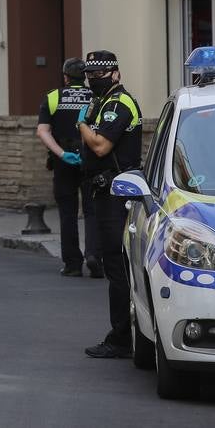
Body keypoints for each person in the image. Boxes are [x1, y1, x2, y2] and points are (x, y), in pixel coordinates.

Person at [77, 50, 143, 359]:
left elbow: (101, 146)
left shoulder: (118, 104)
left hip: (117, 196)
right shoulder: (103, 102)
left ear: (115, 74)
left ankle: (121, 338)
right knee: (114, 266)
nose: (93, 81)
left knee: (117, 267)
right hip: (106, 193)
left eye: (99, 75)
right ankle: (125, 333)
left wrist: (82, 127)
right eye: (89, 75)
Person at [36, 57, 101, 279]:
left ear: (65, 77)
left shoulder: (53, 97)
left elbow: (42, 131)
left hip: (64, 162)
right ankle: (95, 257)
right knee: (93, 210)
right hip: (91, 159)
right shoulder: (95, 97)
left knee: (68, 213)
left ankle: (73, 264)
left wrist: (62, 153)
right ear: (84, 76)